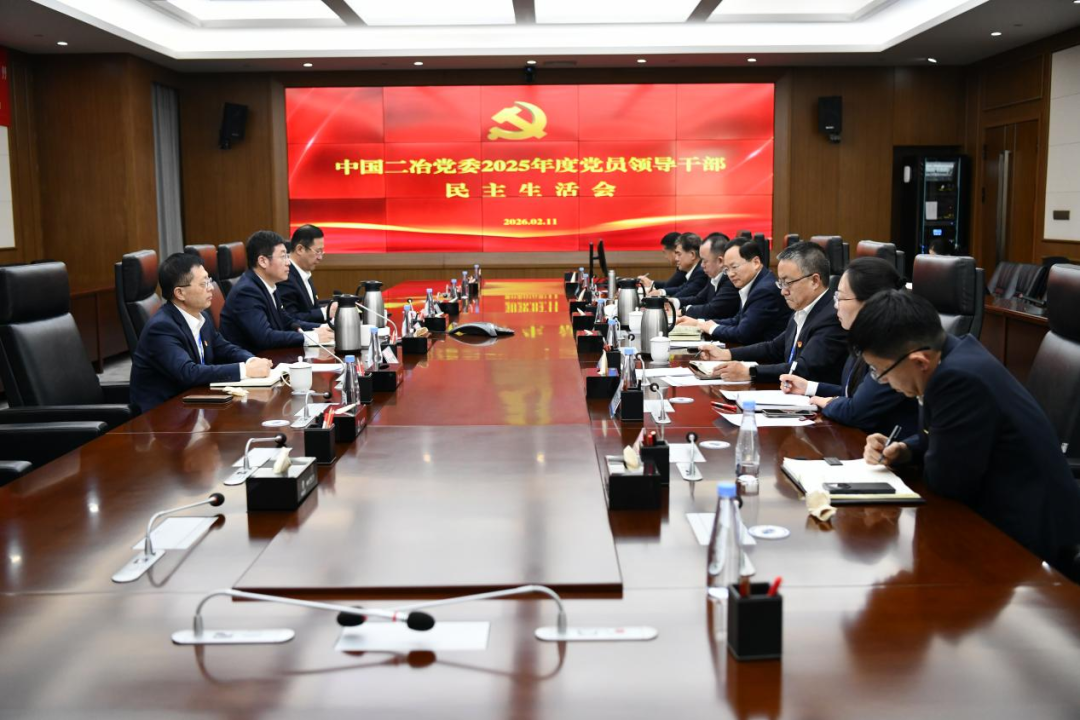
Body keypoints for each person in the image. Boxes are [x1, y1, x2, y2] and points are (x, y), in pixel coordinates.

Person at [853, 290, 1080, 574]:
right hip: (1003, 513)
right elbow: (943, 438)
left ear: (919, 362)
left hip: (1026, 538)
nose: (883, 381)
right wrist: (906, 450)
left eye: (880, 371)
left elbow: (947, 482)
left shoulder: (958, 380)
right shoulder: (952, 354)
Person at [778, 257, 918, 436]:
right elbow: (853, 392)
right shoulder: (863, 336)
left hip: (889, 445)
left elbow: (856, 411)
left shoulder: (891, 346)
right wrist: (808, 388)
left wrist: (828, 403)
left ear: (869, 303)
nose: (835, 306)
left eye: (841, 297)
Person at [130, 252, 273, 414]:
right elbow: (188, 372)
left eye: (209, 280)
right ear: (180, 293)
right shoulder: (162, 328)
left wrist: (252, 360)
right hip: (163, 415)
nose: (211, 288)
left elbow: (224, 349)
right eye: (203, 283)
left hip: (194, 404)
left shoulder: (201, 317)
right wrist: (245, 370)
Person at [698, 241, 847, 384]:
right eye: (781, 283)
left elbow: (803, 369)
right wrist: (727, 354)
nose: (783, 291)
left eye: (788, 283)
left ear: (814, 281)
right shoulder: (802, 309)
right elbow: (773, 348)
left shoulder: (831, 318)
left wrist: (750, 372)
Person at [220, 230, 334, 352]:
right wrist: (312, 337)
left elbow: (288, 322)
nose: (288, 262)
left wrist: (324, 327)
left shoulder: (269, 285)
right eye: (283, 257)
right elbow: (265, 337)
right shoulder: (247, 292)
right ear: (263, 261)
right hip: (252, 359)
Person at [692, 236, 790, 345]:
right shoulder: (754, 283)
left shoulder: (765, 290)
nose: (730, 274)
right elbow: (738, 320)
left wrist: (711, 328)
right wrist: (700, 323)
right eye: (726, 269)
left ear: (756, 262)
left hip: (765, 354)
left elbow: (742, 334)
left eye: (734, 267)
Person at [673, 233, 740, 321]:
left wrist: (684, 311)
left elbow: (713, 309)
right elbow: (699, 299)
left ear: (720, 261)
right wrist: (673, 302)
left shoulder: (730, 279)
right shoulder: (713, 276)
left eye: (705, 261)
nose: (702, 265)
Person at [278, 224, 337, 324]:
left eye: (322, 252)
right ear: (300, 249)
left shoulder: (304, 270)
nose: (320, 258)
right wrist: (325, 312)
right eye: (317, 251)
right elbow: (290, 319)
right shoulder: (285, 277)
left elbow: (311, 308)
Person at [648, 233, 708, 303]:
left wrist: (666, 301)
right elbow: (681, 289)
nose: (676, 259)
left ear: (692, 255)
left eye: (679, 254)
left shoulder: (701, 272)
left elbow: (683, 294)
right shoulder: (695, 270)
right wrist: (660, 292)